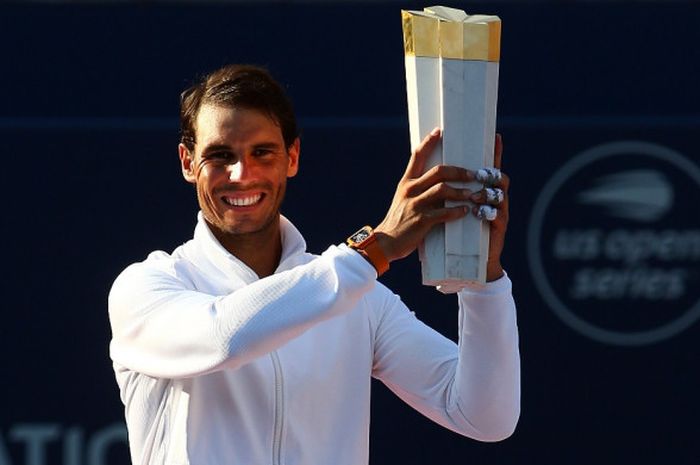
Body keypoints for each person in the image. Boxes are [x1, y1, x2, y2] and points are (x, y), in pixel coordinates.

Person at [108, 64, 520, 465]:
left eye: (262, 153)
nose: (241, 174)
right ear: (187, 162)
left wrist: (484, 282)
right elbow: (224, 337)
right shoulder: (145, 288)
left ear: (292, 157)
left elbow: (483, 415)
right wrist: (374, 250)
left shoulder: (359, 296)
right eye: (220, 155)